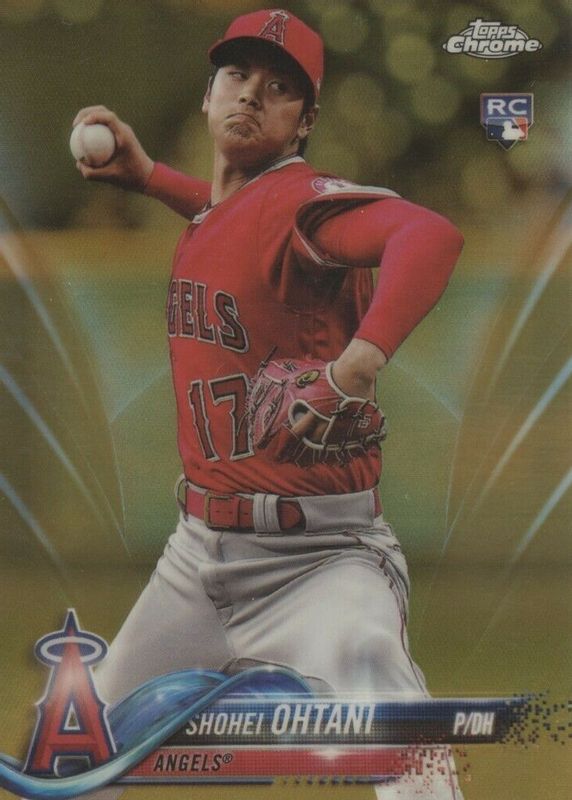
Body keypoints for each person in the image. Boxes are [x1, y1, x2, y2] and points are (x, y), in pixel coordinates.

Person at [74, 9, 464, 798]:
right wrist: (150, 178)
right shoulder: (228, 211)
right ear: (209, 93)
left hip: (318, 559)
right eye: (237, 75)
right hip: (196, 560)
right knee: (81, 757)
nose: (252, 94)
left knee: (382, 700)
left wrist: (357, 363)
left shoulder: (303, 202)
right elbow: (232, 222)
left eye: (280, 87)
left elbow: (428, 235)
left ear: (305, 122)